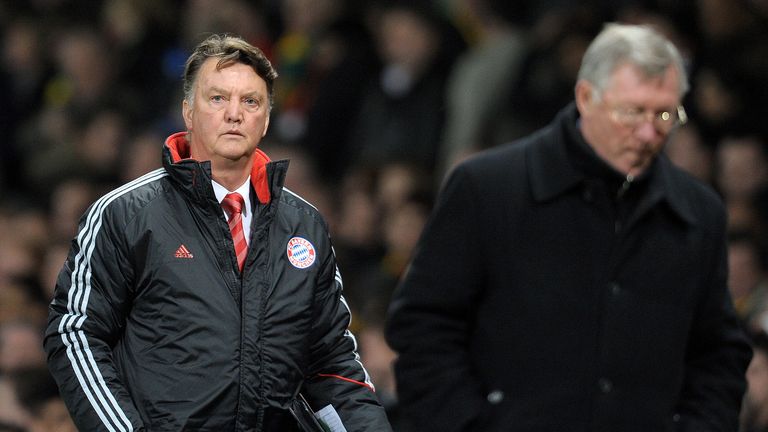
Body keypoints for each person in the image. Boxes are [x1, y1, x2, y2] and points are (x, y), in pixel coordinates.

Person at [385, 23, 752, 432]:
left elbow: (718, 357)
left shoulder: (698, 213)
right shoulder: (488, 188)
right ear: (586, 98)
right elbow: (424, 327)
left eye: (665, 115)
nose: (649, 134)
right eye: (632, 112)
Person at [44, 33, 392, 431]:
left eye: (250, 101)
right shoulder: (125, 214)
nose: (234, 113)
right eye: (217, 98)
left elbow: (331, 366)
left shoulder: (304, 224)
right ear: (188, 113)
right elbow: (75, 334)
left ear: (266, 119)